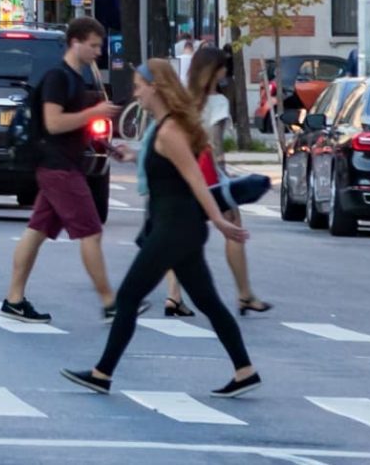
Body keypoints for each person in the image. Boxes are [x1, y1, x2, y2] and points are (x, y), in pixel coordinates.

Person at [61, 61, 260, 399]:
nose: (136, 92)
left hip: (175, 228)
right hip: (179, 227)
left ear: (156, 87)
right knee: (208, 302)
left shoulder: (170, 131)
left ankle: (102, 373)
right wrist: (130, 156)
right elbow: (165, 167)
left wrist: (222, 221)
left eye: (139, 85)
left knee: (127, 297)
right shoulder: (165, 127)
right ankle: (245, 370)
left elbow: (196, 181)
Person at [1, 16, 123, 325]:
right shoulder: (59, 77)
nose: (98, 52)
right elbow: (54, 123)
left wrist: (107, 147)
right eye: (93, 46)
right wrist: (93, 112)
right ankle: (110, 303)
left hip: (60, 165)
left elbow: (73, 127)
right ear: (76, 42)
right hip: (59, 168)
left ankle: (14, 299)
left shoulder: (75, 78)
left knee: (36, 231)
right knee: (91, 233)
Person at [164, 48, 269, 317]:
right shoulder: (218, 102)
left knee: (179, 234)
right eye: (223, 69)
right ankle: (244, 293)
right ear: (214, 71)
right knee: (234, 227)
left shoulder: (182, 99)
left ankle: (173, 296)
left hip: (179, 170)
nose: (226, 74)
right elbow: (215, 145)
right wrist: (225, 178)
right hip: (207, 172)